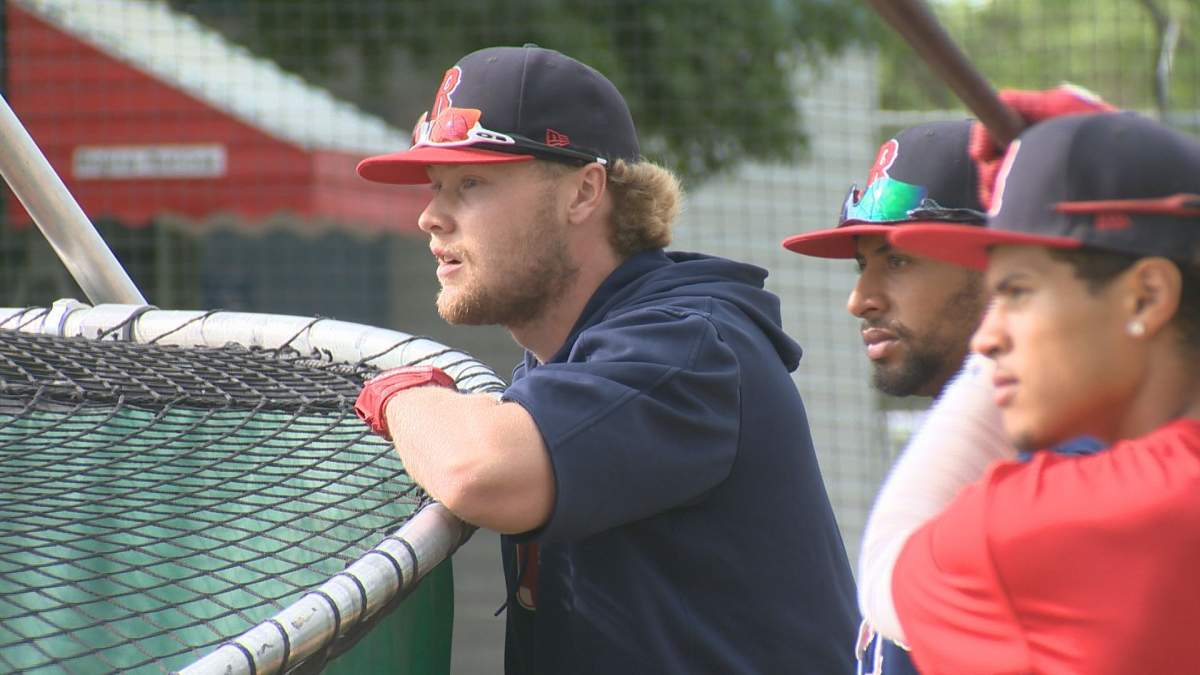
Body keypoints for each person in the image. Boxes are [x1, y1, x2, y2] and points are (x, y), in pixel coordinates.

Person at [352, 45, 858, 674]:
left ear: (584, 191)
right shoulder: (572, 356)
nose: (431, 216)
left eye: (471, 183)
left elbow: (480, 470)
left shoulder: (687, 343)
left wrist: (400, 391)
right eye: (435, 188)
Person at [858, 110, 1200, 674]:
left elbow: (885, 572)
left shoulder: (1067, 518)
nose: (987, 338)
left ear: (1146, 297)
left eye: (1016, 293)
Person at [784, 119, 990, 675]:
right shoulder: (956, 459)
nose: (860, 300)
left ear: (1003, 269)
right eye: (863, 264)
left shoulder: (1060, 478)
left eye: (897, 260)